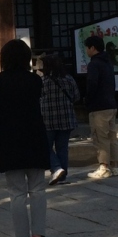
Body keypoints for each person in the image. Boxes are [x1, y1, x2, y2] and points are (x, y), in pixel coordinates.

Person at [0, 38, 50, 237]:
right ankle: (38, 234)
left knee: (16, 192)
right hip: (34, 135)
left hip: (9, 137)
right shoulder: (35, 80)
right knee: (38, 189)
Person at [40, 52, 79, 185]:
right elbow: (76, 97)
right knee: (62, 148)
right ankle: (62, 176)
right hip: (66, 119)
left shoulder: (43, 81)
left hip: (48, 120)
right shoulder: (69, 79)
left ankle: (56, 168)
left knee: (45, 146)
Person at [84, 34, 118, 180]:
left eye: (87, 48)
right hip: (111, 103)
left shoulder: (94, 64)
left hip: (99, 106)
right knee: (112, 137)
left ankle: (104, 167)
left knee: (100, 137)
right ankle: (114, 166)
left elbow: (92, 84)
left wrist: (87, 100)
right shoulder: (108, 62)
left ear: (92, 48)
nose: (86, 51)